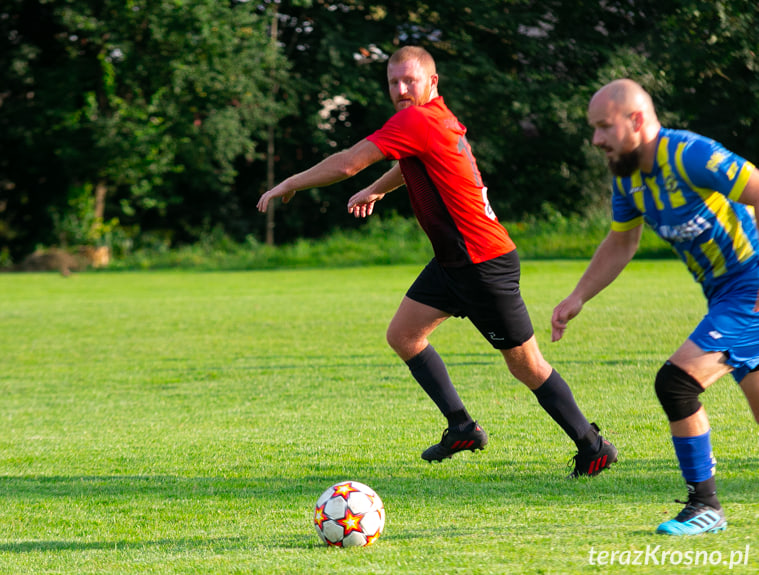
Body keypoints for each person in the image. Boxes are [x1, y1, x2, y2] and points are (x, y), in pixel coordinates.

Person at [257, 45, 616, 478]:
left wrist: (290, 183)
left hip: (483, 264)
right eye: (394, 82)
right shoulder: (432, 118)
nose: (402, 89)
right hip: (453, 263)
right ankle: (462, 426)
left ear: (432, 82)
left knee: (527, 365)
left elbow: (349, 163)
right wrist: (378, 190)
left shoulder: (416, 118)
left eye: (410, 80)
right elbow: (411, 161)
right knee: (404, 335)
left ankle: (593, 447)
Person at [551, 78, 759, 535]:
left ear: (637, 121)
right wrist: (578, 296)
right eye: (594, 129)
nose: (596, 139)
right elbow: (622, 241)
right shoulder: (629, 178)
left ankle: (705, 506)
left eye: (604, 127)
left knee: (676, 384)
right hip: (724, 294)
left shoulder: (690, 155)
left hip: (751, 287)